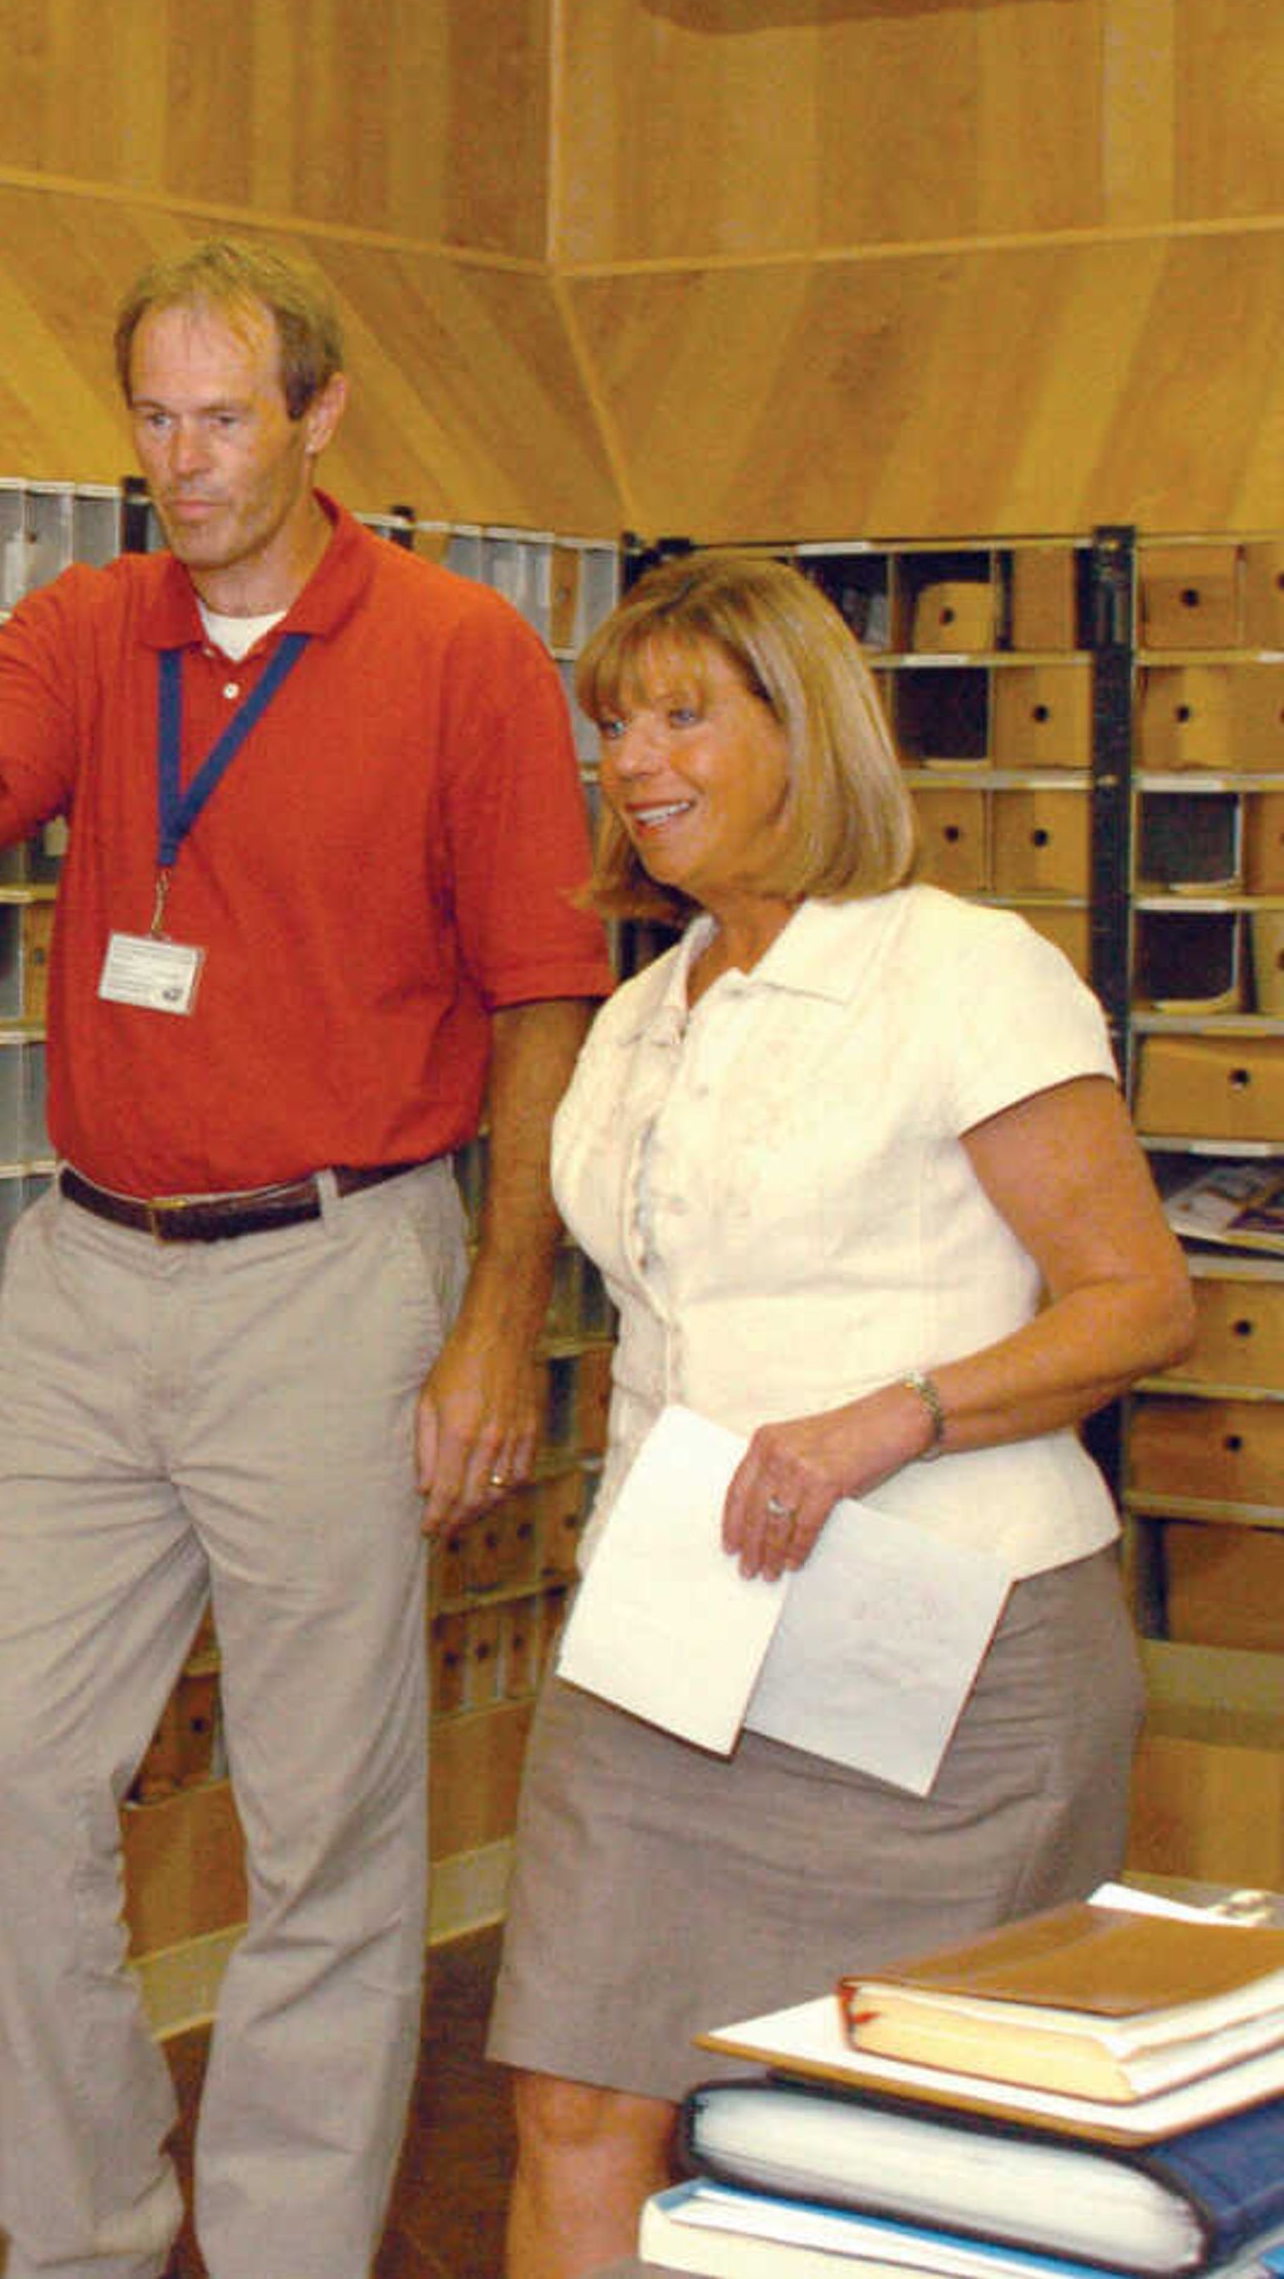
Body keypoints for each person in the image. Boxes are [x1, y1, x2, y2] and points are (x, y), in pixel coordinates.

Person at [0, 237, 612, 2279]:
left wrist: (497, 1324)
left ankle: (283, 2254)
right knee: (1, 1785)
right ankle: (86, 2234)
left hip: (339, 1268)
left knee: (329, 1837)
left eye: (221, 418)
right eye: (153, 420)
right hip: (93, 1277)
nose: (183, 463)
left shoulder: (459, 654)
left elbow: (549, 999)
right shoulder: (92, 628)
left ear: (316, 416)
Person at [492, 552, 1192, 2279]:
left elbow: (1141, 1299)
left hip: (942, 1650)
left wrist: (894, 1415)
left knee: (904, 2162)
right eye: (613, 725)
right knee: (575, 2096)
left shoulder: (963, 972)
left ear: (804, 734)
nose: (634, 761)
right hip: (672, 1632)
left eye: (681, 715)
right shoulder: (643, 1012)